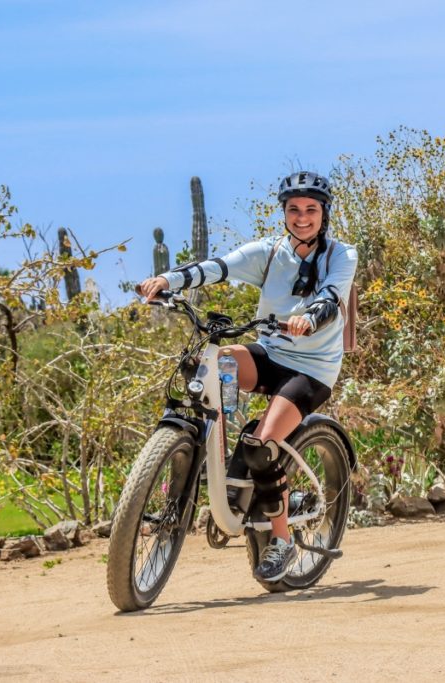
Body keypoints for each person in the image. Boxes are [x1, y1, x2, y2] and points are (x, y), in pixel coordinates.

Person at [138, 171, 358, 582]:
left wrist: (309, 319)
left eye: (311, 209)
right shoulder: (270, 253)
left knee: (263, 445)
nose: (302, 217)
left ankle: (282, 539)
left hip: (312, 369)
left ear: (324, 213)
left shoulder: (341, 254)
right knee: (215, 362)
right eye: (294, 209)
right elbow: (217, 267)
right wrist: (168, 279)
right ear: (285, 214)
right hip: (272, 354)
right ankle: (214, 450)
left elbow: (331, 296)